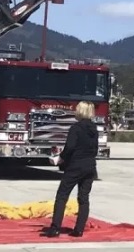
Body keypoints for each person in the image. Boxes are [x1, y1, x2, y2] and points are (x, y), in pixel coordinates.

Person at [42, 101, 100, 238]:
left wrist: (60, 158)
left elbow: (70, 147)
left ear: (80, 111)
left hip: (76, 166)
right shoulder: (94, 129)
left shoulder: (76, 128)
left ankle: (55, 228)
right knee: (83, 198)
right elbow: (95, 149)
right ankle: (79, 229)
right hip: (90, 166)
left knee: (62, 196)